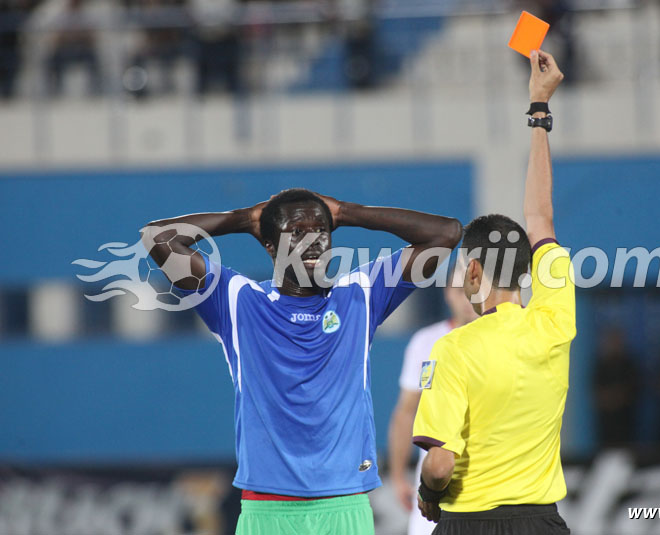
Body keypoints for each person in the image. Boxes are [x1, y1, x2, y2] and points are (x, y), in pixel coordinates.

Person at [143, 188, 462, 535]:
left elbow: (444, 234)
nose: (312, 239)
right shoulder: (237, 301)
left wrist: (346, 213)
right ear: (268, 245)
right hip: (266, 509)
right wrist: (246, 219)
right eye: (296, 232)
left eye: (322, 230)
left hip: (344, 505)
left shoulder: (361, 294)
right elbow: (158, 239)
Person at [411, 50, 574, 535]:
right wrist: (539, 110)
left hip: (470, 523)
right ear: (528, 269)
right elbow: (540, 217)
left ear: (476, 271)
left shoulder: (454, 348)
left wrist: (427, 494)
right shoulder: (555, 320)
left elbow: (440, 465)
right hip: (542, 523)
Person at [387, 268, 477, 535]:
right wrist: (398, 473)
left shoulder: (505, 340)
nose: (467, 300)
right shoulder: (426, 341)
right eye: (460, 291)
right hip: (434, 481)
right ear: (448, 294)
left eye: (472, 291)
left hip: (485, 475)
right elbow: (406, 411)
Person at [591, 327, 640, 448]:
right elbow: (596, 391)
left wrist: (618, 397)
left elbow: (633, 390)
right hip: (605, 424)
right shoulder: (601, 365)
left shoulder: (629, 364)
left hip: (626, 422)